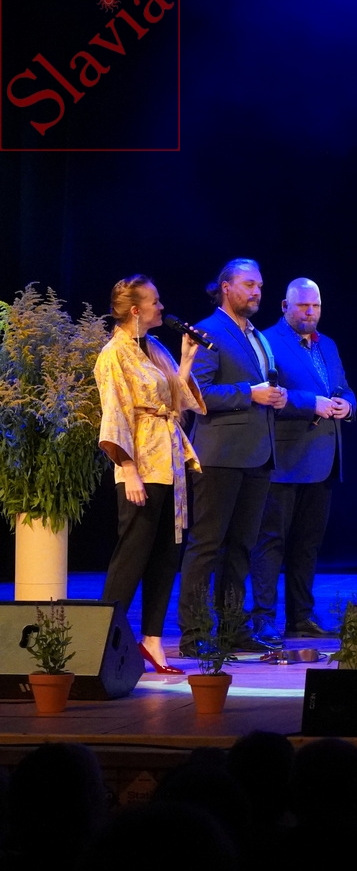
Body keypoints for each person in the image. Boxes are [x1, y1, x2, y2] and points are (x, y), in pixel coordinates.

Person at [94, 275, 205, 674]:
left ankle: (153, 641)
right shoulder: (113, 354)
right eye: (155, 302)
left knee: (165, 553)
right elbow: (116, 411)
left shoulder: (154, 347)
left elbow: (178, 399)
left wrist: (186, 360)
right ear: (136, 310)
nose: (162, 307)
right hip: (140, 461)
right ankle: (102, 640)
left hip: (169, 460)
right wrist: (128, 468)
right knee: (133, 553)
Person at [177, 258, 286, 658]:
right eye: (249, 285)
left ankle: (233, 628)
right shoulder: (208, 330)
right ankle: (193, 634)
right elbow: (198, 394)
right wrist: (249, 394)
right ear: (226, 287)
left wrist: (276, 396)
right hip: (219, 455)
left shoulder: (256, 335)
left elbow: (263, 384)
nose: (257, 292)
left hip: (257, 454)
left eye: (259, 286)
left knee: (241, 547)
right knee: (206, 545)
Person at [248, 278, 355, 639]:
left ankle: (301, 617)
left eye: (316, 306)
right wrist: (312, 403)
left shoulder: (328, 345)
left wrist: (347, 405)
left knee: (307, 545)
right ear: (285, 306)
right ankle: (263, 618)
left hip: (323, 459)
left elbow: (343, 388)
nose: (311, 312)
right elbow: (268, 394)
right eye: (303, 305)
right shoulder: (266, 341)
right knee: (271, 542)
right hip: (284, 458)